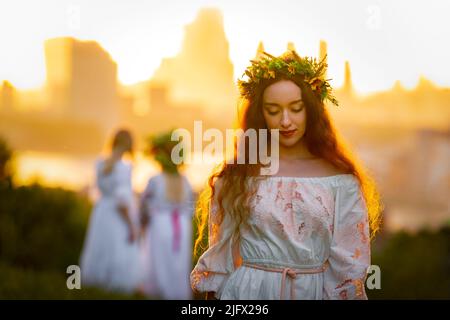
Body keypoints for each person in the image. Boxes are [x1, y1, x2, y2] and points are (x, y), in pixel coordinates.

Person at [190, 50, 382, 300]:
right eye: (273, 110)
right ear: (261, 114)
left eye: (296, 108)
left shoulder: (341, 180)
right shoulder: (239, 175)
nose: (286, 120)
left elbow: (348, 270)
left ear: (311, 110)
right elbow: (220, 259)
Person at [80, 129, 141, 293]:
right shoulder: (124, 167)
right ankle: (116, 287)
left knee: (100, 246)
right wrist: (131, 225)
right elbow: (121, 202)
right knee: (118, 248)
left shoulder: (100, 163)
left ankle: (96, 284)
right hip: (117, 215)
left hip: (101, 211)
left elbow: (99, 190)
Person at [139, 130, 195, 299]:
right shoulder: (185, 180)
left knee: (160, 258)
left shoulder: (155, 179)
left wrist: (142, 222)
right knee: (178, 260)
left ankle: (160, 290)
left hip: (161, 223)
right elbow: (190, 206)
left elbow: (143, 204)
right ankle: (176, 292)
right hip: (182, 225)